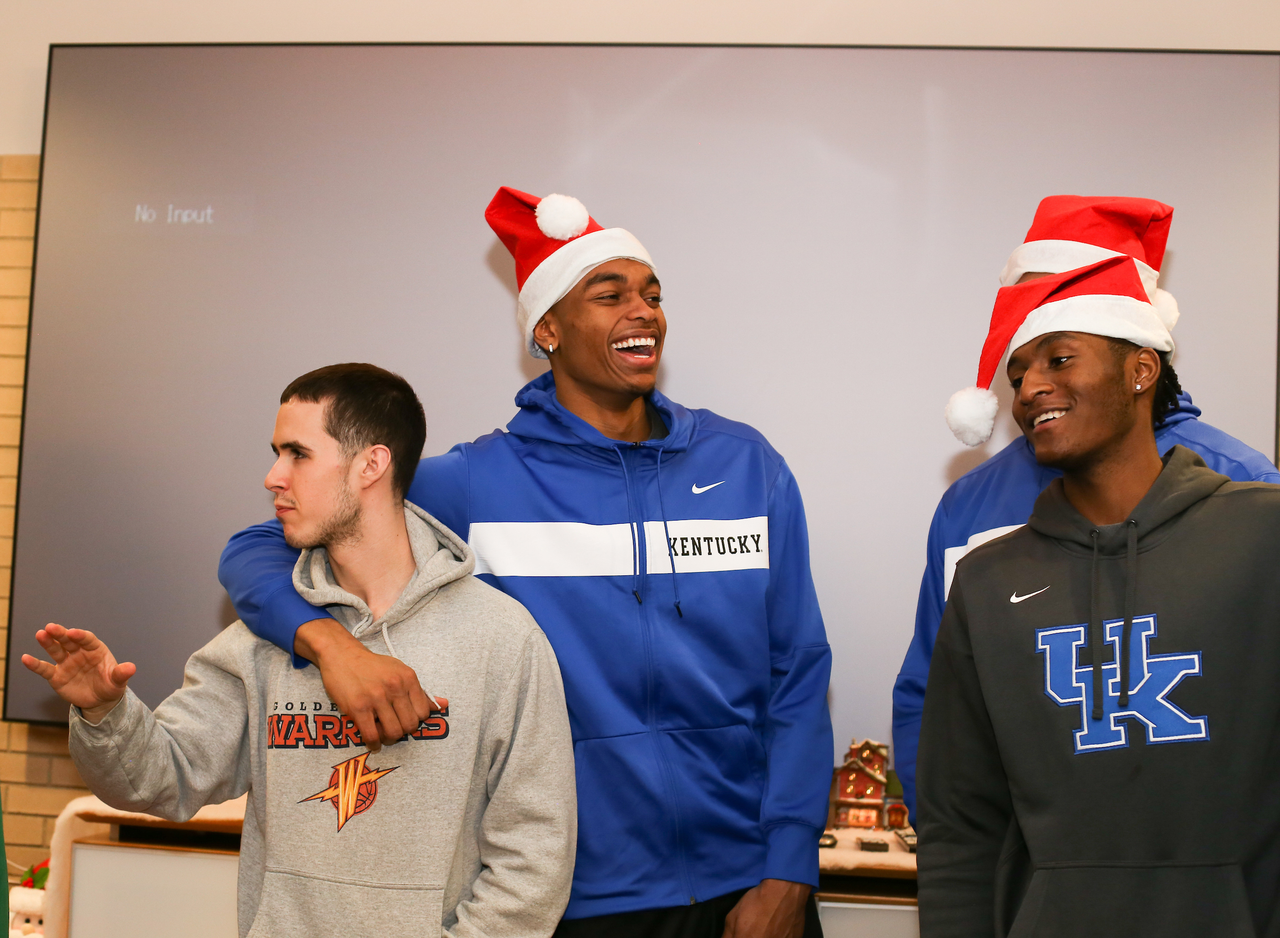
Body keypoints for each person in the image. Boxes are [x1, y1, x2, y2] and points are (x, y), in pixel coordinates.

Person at [218, 188, 834, 938]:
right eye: (609, 295)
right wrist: (328, 641)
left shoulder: (745, 466)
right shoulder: (477, 482)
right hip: (576, 902)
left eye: (652, 294)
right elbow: (255, 548)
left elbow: (798, 672)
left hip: (751, 891)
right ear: (548, 328)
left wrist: (790, 867)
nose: (644, 312)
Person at [25, 363, 576, 938]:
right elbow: (164, 779)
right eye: (276, 453)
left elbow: (534, 853)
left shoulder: (501, 638)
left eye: (298, 454)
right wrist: (104, 713)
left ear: (371, 464)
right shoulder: (260, 642)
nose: (272, 477)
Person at [915, 255, 1280, 935]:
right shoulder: (990, 581)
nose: (1030, 389)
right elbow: (960, 822)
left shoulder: (1263, 535)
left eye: (1058, 359)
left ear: (1141, 370)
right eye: (1018, 373)